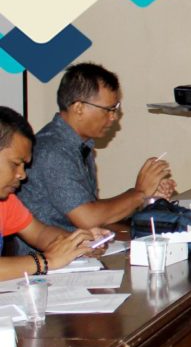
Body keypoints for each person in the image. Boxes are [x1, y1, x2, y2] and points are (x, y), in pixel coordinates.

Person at [16, 63, 173, 255]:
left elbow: (94, 212)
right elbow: (88, 218)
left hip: (80, 252)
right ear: (79, 108)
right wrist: (139, 193)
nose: (114, 117)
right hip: (46, 261)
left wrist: (147, 197)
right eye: (109, 109)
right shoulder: (52, 150)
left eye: (115, 109)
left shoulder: (80, 145)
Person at [0, 107, 110, 280]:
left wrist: (78, 243)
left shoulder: (6, 201)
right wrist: (47, 261)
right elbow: (47, 258)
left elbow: (40, 233)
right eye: (15, 164)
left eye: (24, 166)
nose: (22, 174)